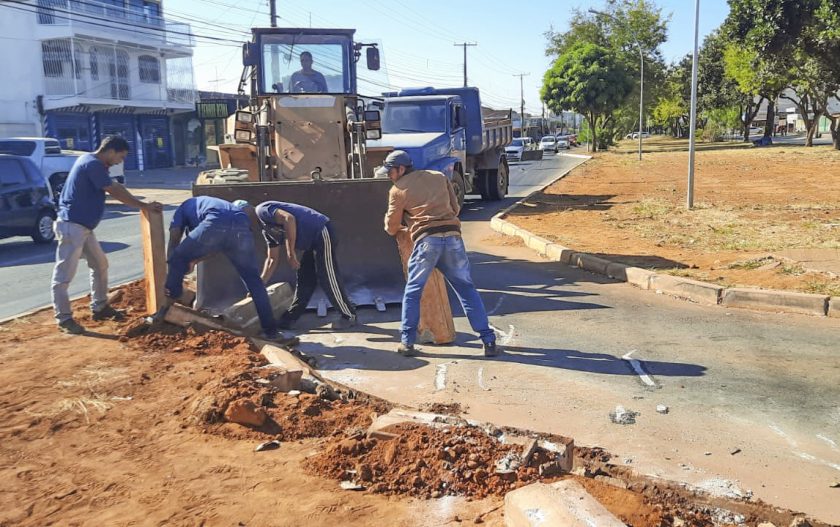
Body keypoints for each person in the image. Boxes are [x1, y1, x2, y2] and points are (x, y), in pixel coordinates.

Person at [380, 150, 499, 357]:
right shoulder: (439, 177)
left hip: (426, 243)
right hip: (453, 239)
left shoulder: (397, 190)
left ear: (400, 169)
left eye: (390, 171)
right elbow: (454, 208)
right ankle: (488, 341)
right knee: (467, 290)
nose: (389, 176)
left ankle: (407, 342)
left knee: (413, 291)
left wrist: (407, 225)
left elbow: (391, 227)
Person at [51, 136, 162, 335]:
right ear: (110, 151)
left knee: (100, 264)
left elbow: (116, 187)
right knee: (63, 276)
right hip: (72, 226)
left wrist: (139, 202)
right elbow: (114, 191)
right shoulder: (92, 164)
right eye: (121, 156)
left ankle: (100, 307)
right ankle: (64, 319)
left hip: (83, 228)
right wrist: (143, 205)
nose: (121, 161)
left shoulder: (94, 164)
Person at [164, 196, 294, 344]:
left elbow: (174, 240)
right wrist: (194, 260)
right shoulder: (205, 206)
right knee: (254, 282)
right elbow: (217, 246)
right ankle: (272, 333)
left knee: (176, 259)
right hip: (241, 225)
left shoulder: (181, 210)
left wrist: (173, 266)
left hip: (216, 221)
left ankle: (166, 308)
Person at [250, 200, 356, 330]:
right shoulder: (266, 231)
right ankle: (291, 317)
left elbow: (289, 218)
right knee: (305, 278)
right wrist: (259, 286)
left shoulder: (261, 210)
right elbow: (272, 259)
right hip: (311, 242)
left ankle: (349, 315)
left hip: (321, 232)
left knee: (327, 275)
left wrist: (290, 253)